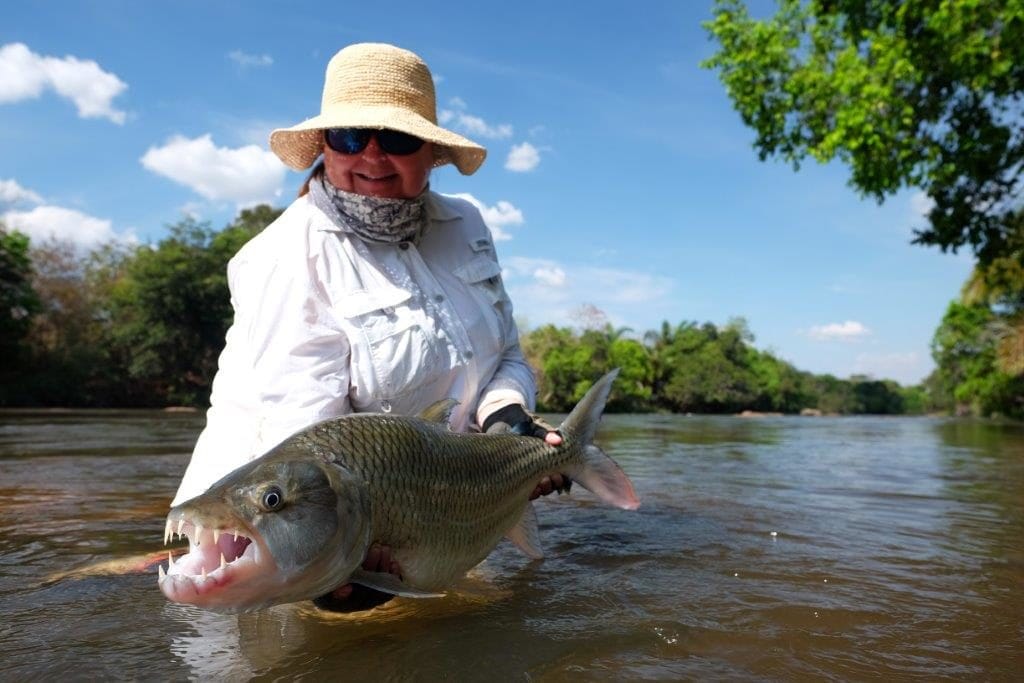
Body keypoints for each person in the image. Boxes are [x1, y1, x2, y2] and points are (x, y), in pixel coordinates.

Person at [170, 42, 567, 609]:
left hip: (432, 504)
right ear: (325, 147)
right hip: (267, 533)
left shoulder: (467, 223)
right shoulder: (282, 258)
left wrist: (506, 417)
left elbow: (505, 353)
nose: (374, 157)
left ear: (431, 151)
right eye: (352, 137)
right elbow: (307, 446)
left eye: (399, 139)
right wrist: (341, 565)